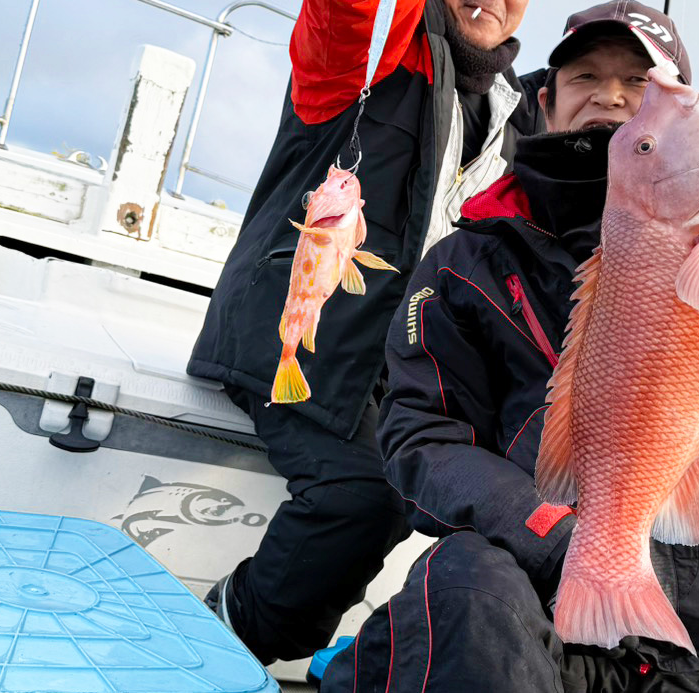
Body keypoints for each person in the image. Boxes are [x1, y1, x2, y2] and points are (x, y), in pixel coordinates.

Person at [319, 0, 699, 690]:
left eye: (642, 82)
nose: (611, 94)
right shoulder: (465, 262)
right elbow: (420, 434)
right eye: (585, 76)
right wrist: (554, 532)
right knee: (460, 585)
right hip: (551, 624)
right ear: (544, 101)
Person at [187, 0, 543, 665]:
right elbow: (346, 12)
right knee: (368, 492)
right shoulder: (372, 50)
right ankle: (220, 642)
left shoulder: (523, 116)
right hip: (299, 348)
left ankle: (383, 667)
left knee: (515, 516)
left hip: (408, 374)